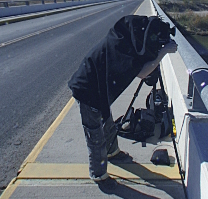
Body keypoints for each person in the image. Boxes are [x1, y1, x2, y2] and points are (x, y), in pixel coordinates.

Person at [68, 15, 177, 190]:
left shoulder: (127, 38)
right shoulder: (124, 47)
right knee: (95, 135)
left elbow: (143, 66)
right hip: (87, 89)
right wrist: (162, 53)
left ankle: (112, 153)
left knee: (108, 123)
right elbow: (143, 73)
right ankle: (99, 175)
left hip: (99, 89)